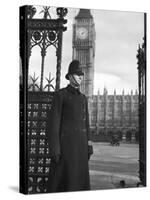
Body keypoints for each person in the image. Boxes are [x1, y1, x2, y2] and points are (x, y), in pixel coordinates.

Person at [46, 60, 93, 193]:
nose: (80, 77)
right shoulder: (61, 95)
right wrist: (55, 149)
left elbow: (86, 123)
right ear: (70, 76)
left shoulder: (83, 98)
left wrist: (89, 145)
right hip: (66, 149)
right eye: (77, 74)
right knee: (65, 184)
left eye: (82, 75)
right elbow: (54, 124)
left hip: (81, 149)